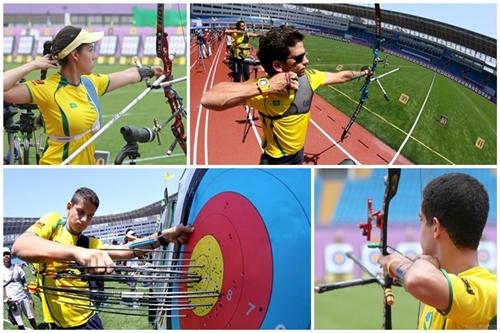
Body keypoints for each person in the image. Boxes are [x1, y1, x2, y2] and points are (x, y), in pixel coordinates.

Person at [12, 187, 194, 329]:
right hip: (57, 324)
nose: (84, 220)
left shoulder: (87, 243)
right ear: (68, 207)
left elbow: (126, 250)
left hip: (85, 322)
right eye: (80, 212)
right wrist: (76, 252)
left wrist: (162, 237)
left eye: (90, 216)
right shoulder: (53, 223)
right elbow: (20, 246)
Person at [202, 26, 372, 165]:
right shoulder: (264, 91)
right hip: (276, 160)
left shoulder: (310, 78)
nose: (306, 60)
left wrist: (363, 73)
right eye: (299, 58)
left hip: (299, 153)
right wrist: (267, 86)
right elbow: (208, 98)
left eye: (304, 54)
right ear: (277, 65)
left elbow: (341, 76)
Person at [3, 26, 162, 165]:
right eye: (90, 49)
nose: (95, 56)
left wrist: (153, 71)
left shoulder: (90, 82)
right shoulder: (48, 89)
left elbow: (128, 75)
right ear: (75, 55)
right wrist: (33, 65)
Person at [378, 173, 496, 329]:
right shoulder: (438, 288)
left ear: (435, 227)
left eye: (421, 219)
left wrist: (395, 264)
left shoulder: (491, 291)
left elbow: (417, 279)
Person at [3, 247, 38, 330]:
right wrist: (5, 298)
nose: (6, 256)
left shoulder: (17, 267)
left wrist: (29, 296)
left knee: (31, 317)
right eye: (4, 255)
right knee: (19, 322)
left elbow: (24, 281)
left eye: (7, 254)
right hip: (12, 299)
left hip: (23, 297)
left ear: (11, 255)